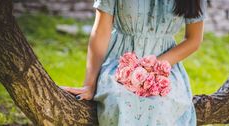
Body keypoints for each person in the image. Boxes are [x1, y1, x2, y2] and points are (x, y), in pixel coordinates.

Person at [61, 0, 207, 125]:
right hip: (120, 63)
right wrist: (89, 85)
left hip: (165, 66)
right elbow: (101, 31)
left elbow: (194, 40)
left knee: (162, 104)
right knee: (120, 99)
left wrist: (152, 66)